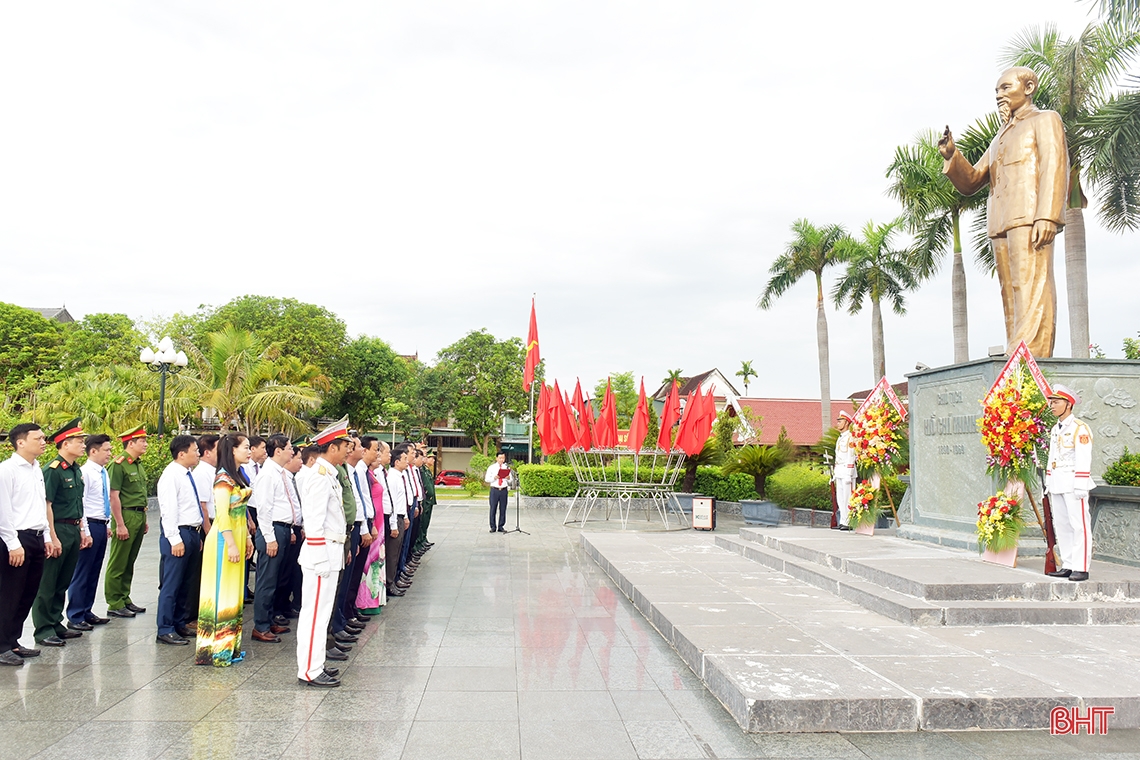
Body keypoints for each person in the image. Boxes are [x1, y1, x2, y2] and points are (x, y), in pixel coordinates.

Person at [938, 66, 1068, 358]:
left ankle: (1031, 359)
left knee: (1032, 288)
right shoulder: (999, 137)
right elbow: (973, 180)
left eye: (1005, 88)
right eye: (996, 90)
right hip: (1000, 221)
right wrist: (952, 156)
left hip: (1030, 216)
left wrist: (1047, 215)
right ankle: (1015, 354)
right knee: (1009, 296)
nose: (999, 95)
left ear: (1029, 87)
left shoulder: (1045, 120)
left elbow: (1054, 167)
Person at [296, 419, 352, 688]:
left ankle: (315, 664)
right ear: (332, 447)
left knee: (322, 613)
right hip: (322, 554)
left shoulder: (328, 474)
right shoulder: (319, 476)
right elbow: (314, 521)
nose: (347, 451)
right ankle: (309, 669)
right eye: (345, 446)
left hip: (331, 551)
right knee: (314, 614)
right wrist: (319, 558)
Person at [195, 434, 255, 666]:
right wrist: (231, 543)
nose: (249, 451)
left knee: (233, 592)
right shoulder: (222, 479)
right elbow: (221, 514)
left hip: (238, 536)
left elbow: (240, 513)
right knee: (221, 591)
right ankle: (216, 650)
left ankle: (229, 646)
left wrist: (247, 538)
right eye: (246, 447)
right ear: (232, 451)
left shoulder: (236, 476)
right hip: (223, 540)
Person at [32, 418, 90, 647]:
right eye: (79, 441)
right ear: (65, 444)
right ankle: (43, 629)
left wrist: (83, 530)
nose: (83, 445)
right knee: (48, 582)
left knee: (63, 580)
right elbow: (46, 505)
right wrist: (52, 537)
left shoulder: (75, 470)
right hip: (58, 528)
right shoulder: (53, 471)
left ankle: (56, 622)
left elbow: (78, 502)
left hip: (73, 528)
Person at [0, 423, 51, 666]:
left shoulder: (36, 469)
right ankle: (1, 646)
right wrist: (12, 543)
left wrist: (48, 536)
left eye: (44, 438)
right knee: (9, 594)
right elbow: (3, 510)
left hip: (36, 536)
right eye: (38, 438)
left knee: (28, 592)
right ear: (21, 442)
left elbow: (40, 505)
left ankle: (13, 640)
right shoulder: (7, 470)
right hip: (16, 538)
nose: (43, 441)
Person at [155, 435, 203, 645]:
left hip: (191, 531)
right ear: (182, 453)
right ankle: (165, 628)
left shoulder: (186, 474)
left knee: (186, 582)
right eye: (195, 450)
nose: (198, 453)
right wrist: (174, 539)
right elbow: (168, 510)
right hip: (178, 533)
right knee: (171, 584)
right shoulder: (171, 475)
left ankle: (179, 622)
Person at [1045, 385, 1095, 582]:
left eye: (1056, 402)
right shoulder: (1055, 429)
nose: (1052, 406)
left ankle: (1081, 566)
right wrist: (1049, 481)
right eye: (1051, 402)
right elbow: (1052, 457)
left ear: (1068, 404)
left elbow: (1084, 458)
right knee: (1062, 525)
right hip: (1058, 483)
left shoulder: (1079, 428)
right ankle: (1068, 564)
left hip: (1075, 484)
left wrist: (1081, 485)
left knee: (1079, 525)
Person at [250, 435, 296, 643]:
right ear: (277, 450)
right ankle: (260, 626)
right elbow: (264, 509)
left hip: (284, 529)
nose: (292, 452)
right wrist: (269, 538)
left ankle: (268, 620)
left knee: (277, 578)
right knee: (266, 580)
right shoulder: (268, 474)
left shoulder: (280, 473)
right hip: (273, 530)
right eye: (289, 448)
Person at [66, 434, 114, 629]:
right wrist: (83, 530)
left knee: (94, 570)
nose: (110, 453)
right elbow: (82, 503)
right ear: (93, 451)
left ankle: (87, 609)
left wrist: (108, 525)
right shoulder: (84, 473)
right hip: (89, 524)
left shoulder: (103, 471)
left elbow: (104, 500)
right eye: (106, 450)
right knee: (82, 571)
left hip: (101, 524)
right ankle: (75, 615)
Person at [104, 426, 149, 618]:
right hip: (126, 515)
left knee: (130, 559)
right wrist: (120, 524)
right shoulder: (119, 464)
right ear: (130, 443)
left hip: (138, 514)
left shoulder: (137, 464)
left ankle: (124, 597)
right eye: (142, 441)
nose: (146, 444)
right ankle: (114, 602)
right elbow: (114, 496)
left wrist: (144, 519)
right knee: (119, 559)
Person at [384, 444, 411, 598]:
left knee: (397, 552)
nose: (407, 462)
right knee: (392, 554)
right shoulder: (392, 478)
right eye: (404, 459)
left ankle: (393, 580)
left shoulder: (399, 476)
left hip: (401, 517)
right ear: (396, 462)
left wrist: (405, 517)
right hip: (395, 518)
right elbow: (392, 502)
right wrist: (394, 525)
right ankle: (389, 583)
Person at [833, 411, 856, 531]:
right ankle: (843, 520)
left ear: (847, 422)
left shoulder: (850, 438)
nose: (838, 423)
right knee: (840, 498)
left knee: (848, 497)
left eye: (840, 421)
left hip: (847, 472)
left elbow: (851, 456)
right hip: (839, 471)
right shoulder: (840, 438)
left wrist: (849, 474)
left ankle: (849, 521)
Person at [413, 448, 436, 556]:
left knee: (424, 523)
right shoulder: (421, 470)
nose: (432, 460)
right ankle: (418, 544)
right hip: (423, 501)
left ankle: (422, 541)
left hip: (428, 500)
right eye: (430, 457)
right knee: (420, 524)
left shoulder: (425, 470)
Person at [485, 451, 510, 533]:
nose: (501, 460)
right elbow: (487, 479)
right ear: (496, 458)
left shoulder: (506, 467)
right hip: (494, 490)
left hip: (503, 490)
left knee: (503, 509)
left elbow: (511, 480)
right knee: (493, 509)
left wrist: (508, 477)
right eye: (500, 458)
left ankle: (501, 526)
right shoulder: (491, 467)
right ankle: (493, 526)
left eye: (503, 458)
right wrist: (494, 478)